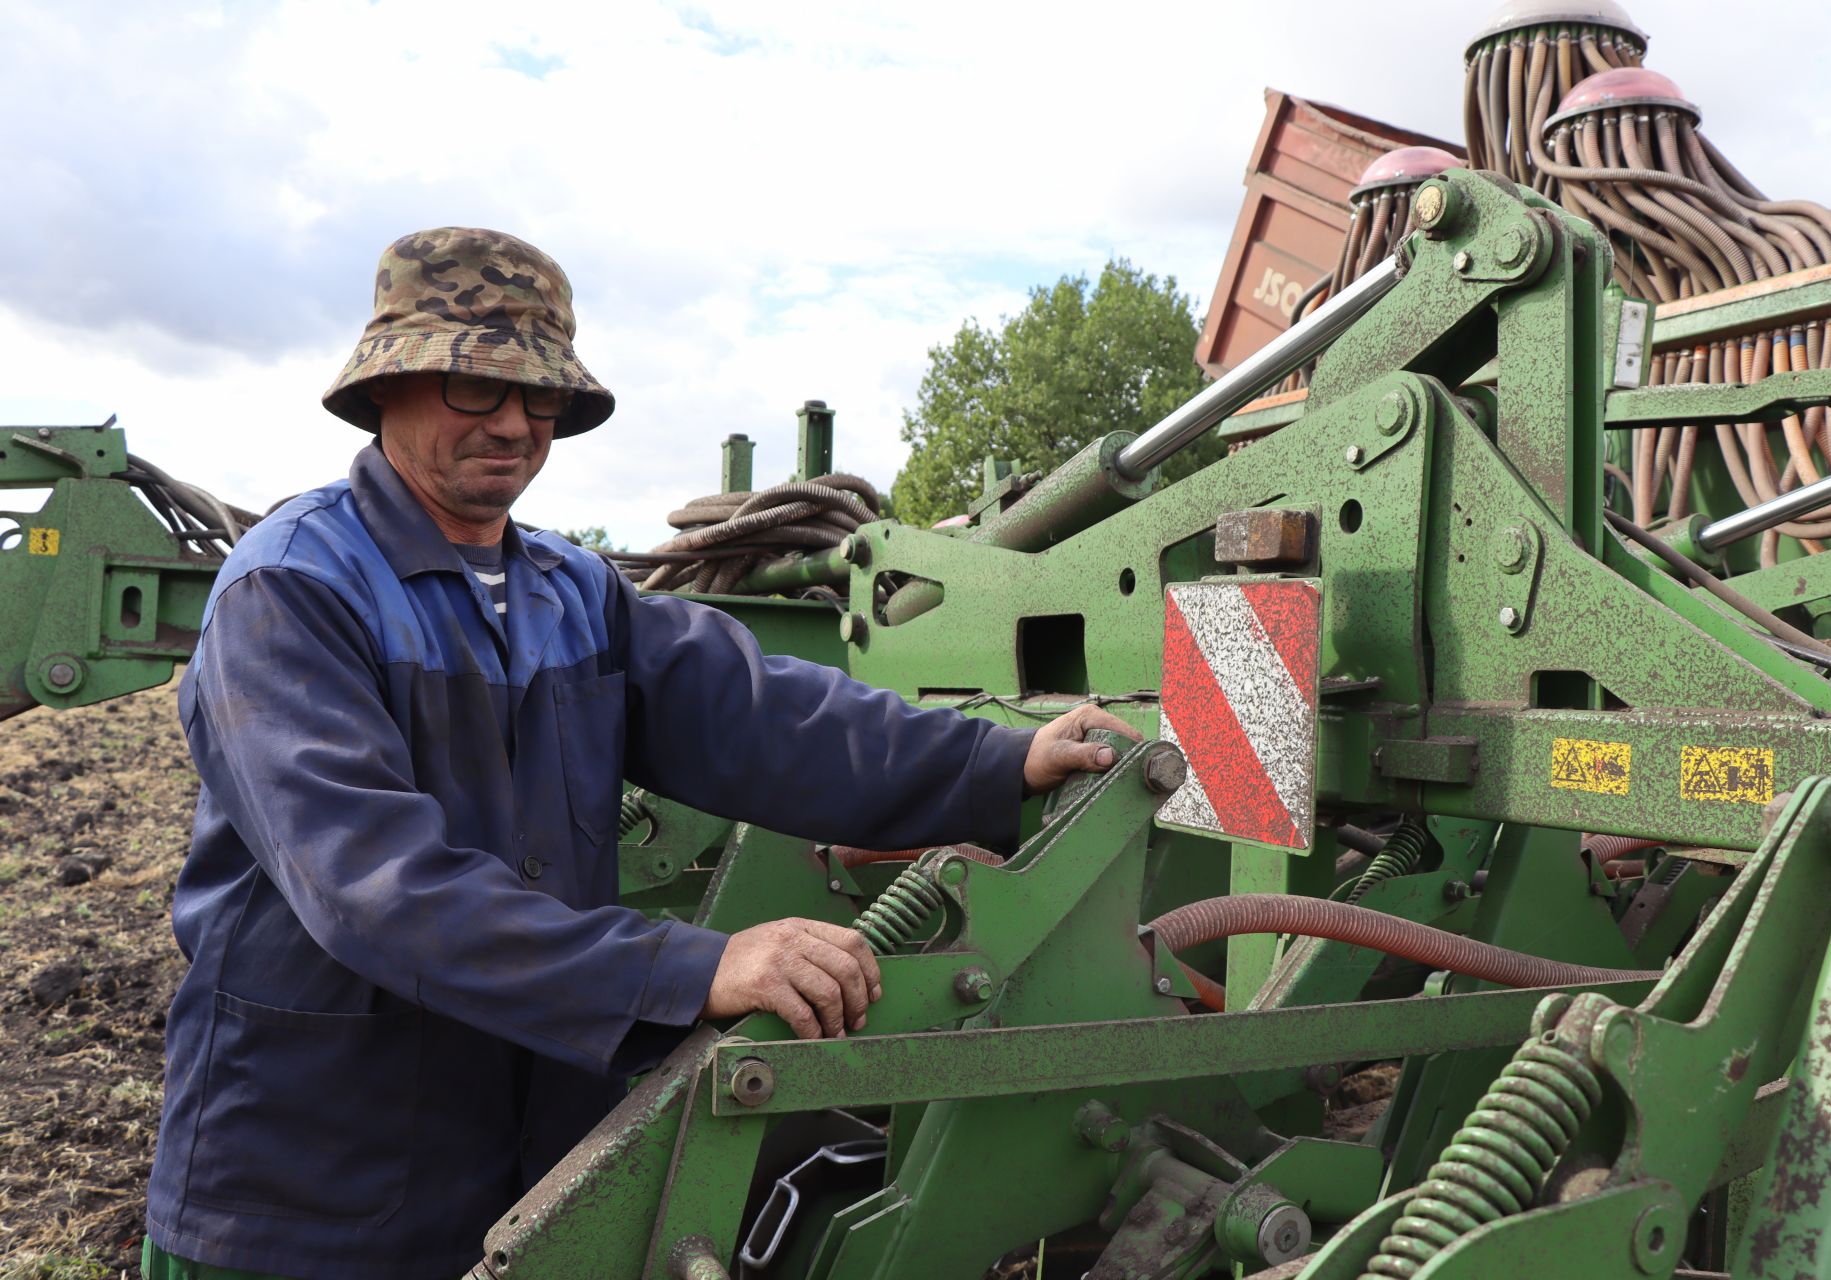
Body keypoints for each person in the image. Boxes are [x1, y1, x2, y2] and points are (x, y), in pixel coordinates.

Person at [142, 227, 1139, 1280]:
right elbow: (376, 887)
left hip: (521, 1171)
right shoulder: (295, 589)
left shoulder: (568, 592)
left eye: (543, 400)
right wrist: (690, 966)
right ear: (391, 386)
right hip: (307, 1193)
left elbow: (769, 718)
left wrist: (998, 764)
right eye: (479, 390)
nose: (517, 424)